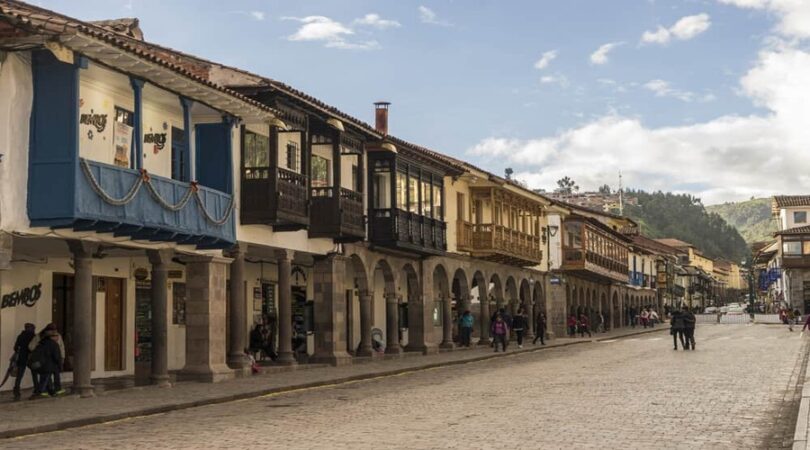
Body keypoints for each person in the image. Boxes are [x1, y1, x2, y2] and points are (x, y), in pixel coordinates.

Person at [30, 329, 62, 398]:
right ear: (52, 337)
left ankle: (51, 392)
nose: (58, 338)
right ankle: (39, 392)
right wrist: (60, 365)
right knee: (44, 380)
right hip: (48, 365)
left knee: (47, 379)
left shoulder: (41, 343)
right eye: (56, 336)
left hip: (40, 365)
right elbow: (56, 357)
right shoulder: (54, 344)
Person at [12, 323, 36, 401]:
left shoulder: (20, 336)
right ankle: (37, 389)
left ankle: (16, 392)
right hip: (31, 358)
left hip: (21, 358)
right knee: (34, 374)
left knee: (19, 376)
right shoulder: (33, 336)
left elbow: (15, 348)